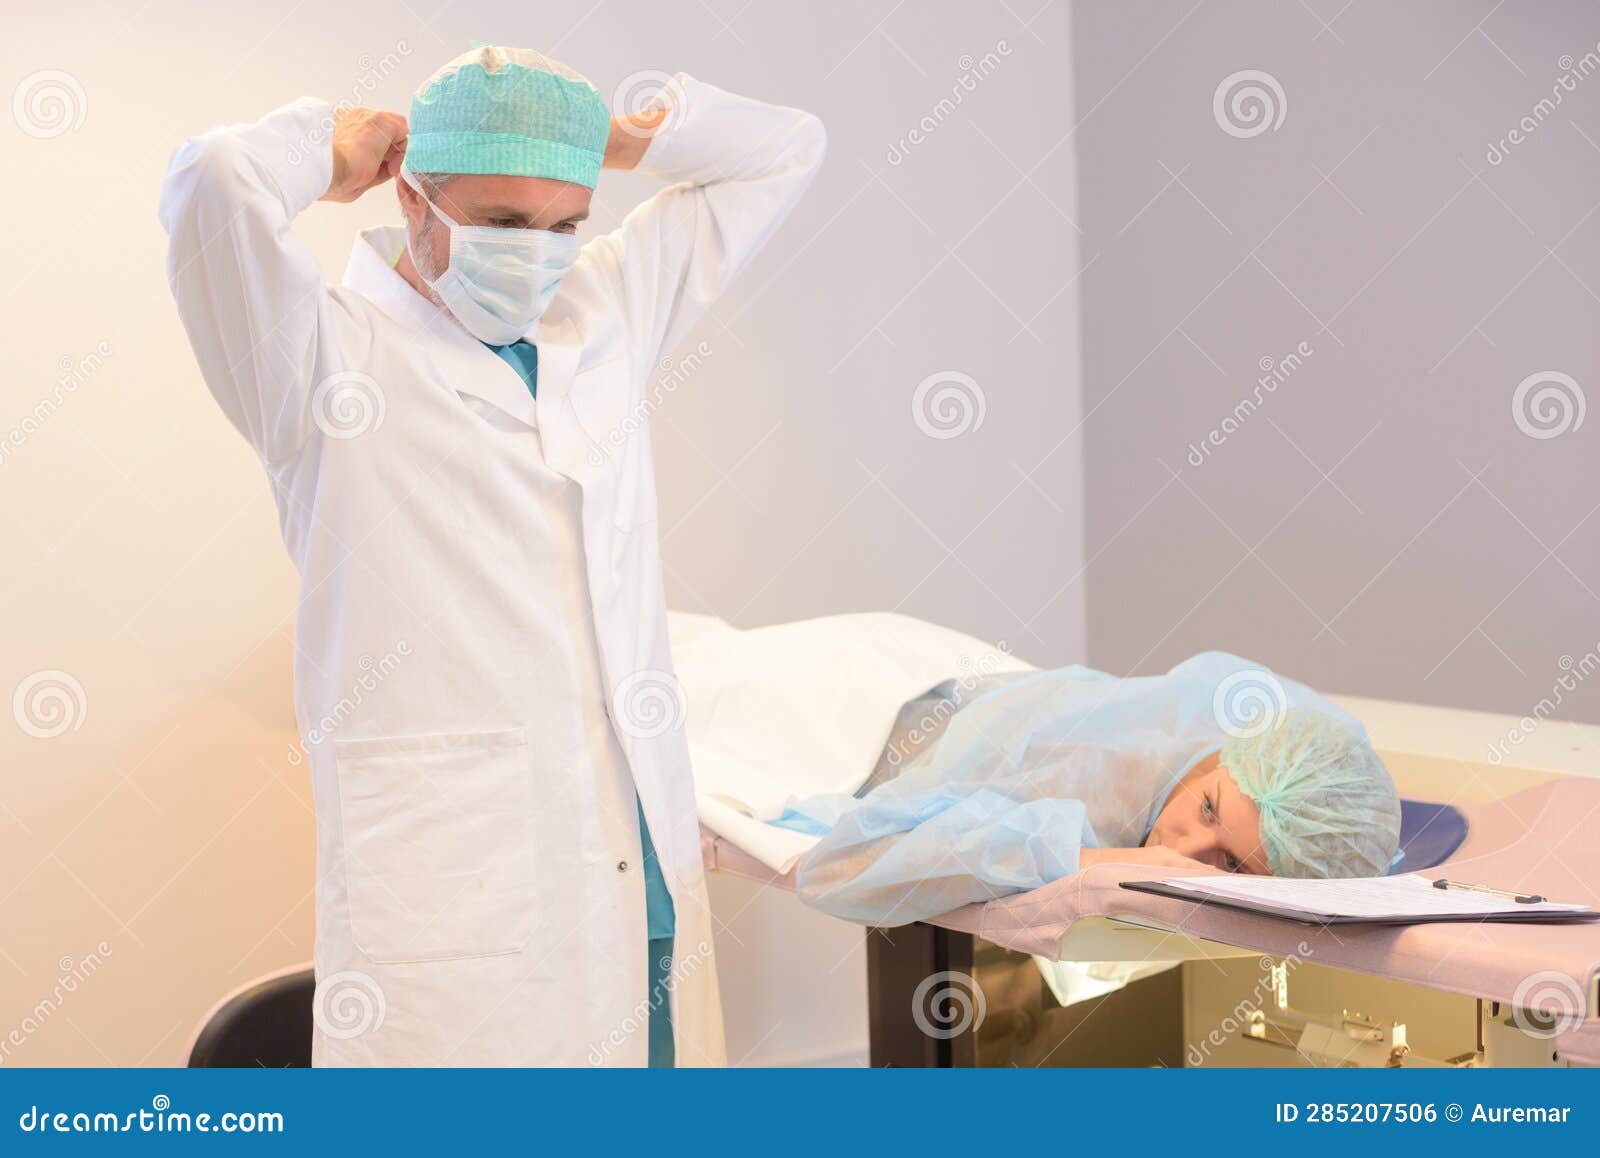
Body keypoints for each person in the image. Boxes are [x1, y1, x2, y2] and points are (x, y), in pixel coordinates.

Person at [159, 46, 825, 1066]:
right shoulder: (317, 358)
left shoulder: (602, 312)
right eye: (505, 223)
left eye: (566, 226)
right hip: (457, 912)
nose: (539, 255)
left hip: (634, 871)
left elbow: (785, 149)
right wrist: (330, 150)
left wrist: (606, 140)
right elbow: (213, 182)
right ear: (413, 197)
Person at [772, 651, 1403, 926]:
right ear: (1226, 756)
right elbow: (836, 870)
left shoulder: (1312, 754)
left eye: (1232, 863)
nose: (1184, 849)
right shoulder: (1083, 773)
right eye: (1207, 808)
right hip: (857, 714)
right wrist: (1085, 858)